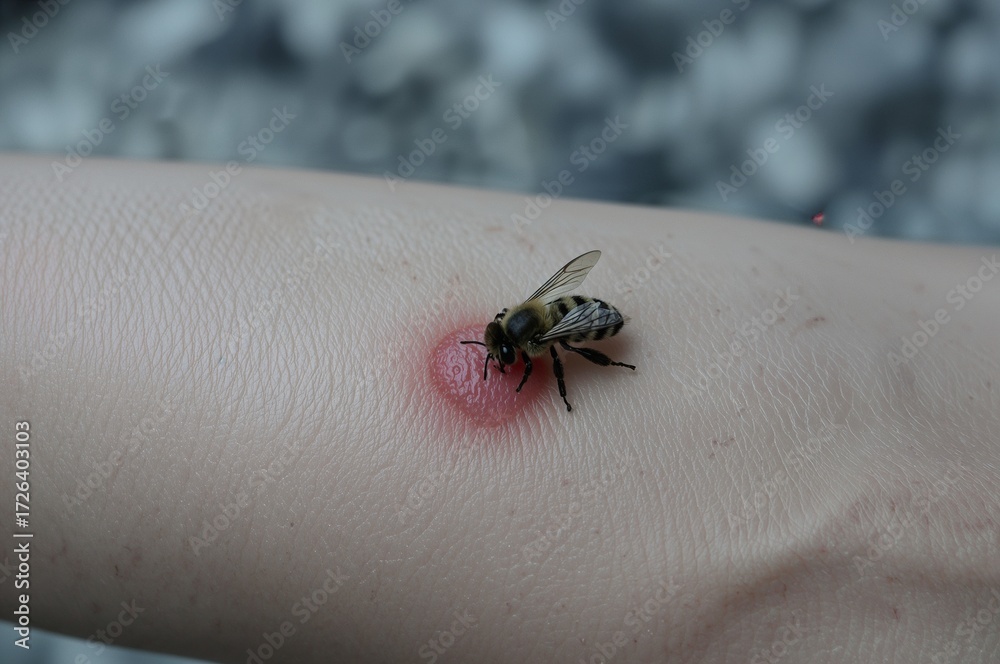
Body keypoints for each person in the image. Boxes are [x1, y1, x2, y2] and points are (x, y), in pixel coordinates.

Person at [2, 154, 998, 663]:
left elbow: (577, 330)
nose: (503, 357)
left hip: (604, 321)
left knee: (586, 352)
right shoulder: (522, 317)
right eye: (505, 348)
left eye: (506, 349)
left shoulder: (549, 341)